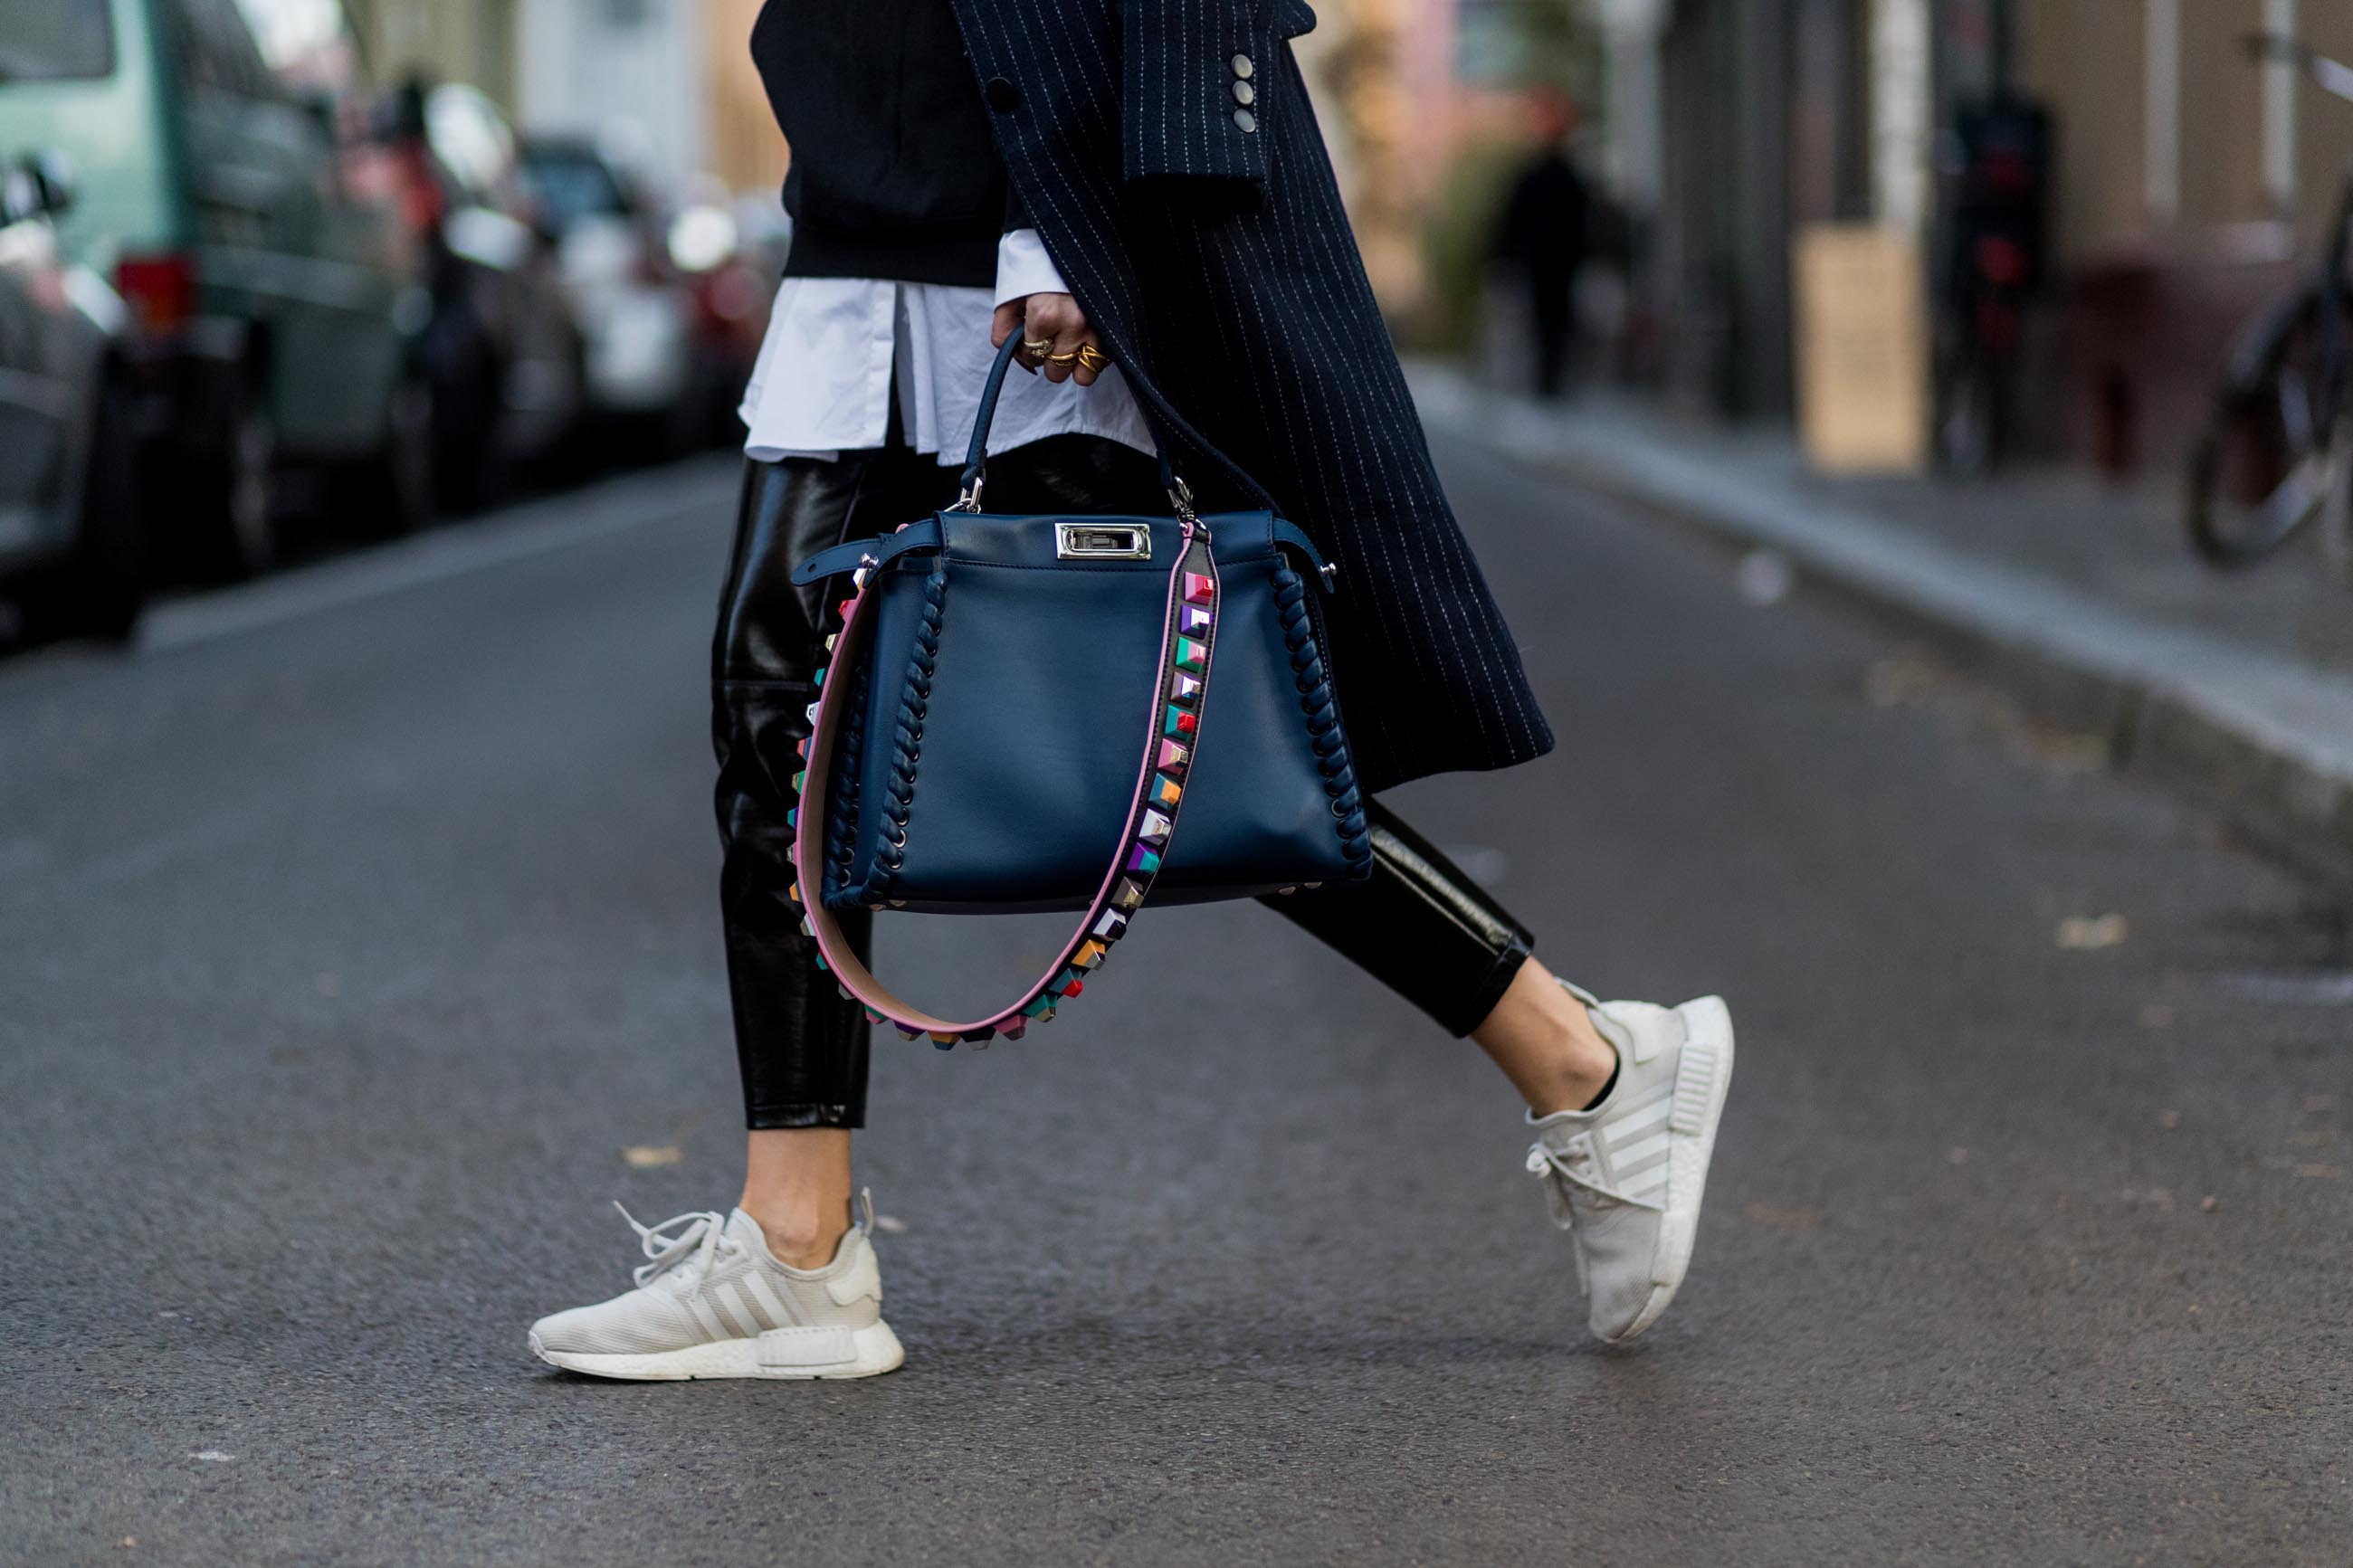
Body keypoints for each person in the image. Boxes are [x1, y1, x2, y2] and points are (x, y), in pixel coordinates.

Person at [526, 0, 1733, 1381]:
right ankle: (795, 1244)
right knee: (781, 727)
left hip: (1035, 214)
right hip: (865, 211)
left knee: (1186, 747)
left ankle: (1590, 1064)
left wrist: (1071, 224)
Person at [1492, 88, 1592, 400]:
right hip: (1545, 265)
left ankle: (1547, 384)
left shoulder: (1560, 176)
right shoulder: (1554, 176)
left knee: (1551, 326)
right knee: (1546, 327)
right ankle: (1544, 384)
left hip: (1552, 265)